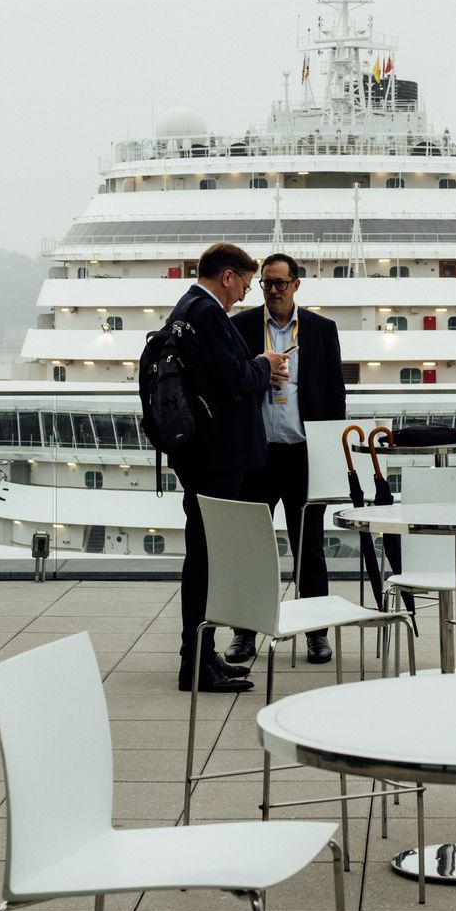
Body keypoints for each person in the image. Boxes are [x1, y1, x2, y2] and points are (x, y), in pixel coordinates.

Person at [166, 243, 273, 693]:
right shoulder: (206, 312)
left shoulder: (185, 308)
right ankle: (196, 662)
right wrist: (265, 366)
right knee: (206, 560)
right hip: (215, 458)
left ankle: (202, 655)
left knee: (206, 558)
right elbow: (233, 378)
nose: (243, 295)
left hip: (201, 456)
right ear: (227, 276)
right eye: (244, 285)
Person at [232, 254, 346, 662]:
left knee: (309, 548)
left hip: (302, 455)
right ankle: (244, 633)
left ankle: (316, 632)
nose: (274, 290)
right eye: (267, 283)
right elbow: (229, 384)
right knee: (251, 549)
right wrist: (261, 376)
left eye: (280, 283)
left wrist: (329, 453)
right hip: (257, 455)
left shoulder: (320, 330)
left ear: (296, 285)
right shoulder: (241, 326)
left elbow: (335, 394)